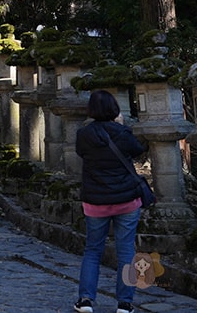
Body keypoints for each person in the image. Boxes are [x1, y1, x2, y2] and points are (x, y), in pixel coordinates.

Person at [74, 90, 147, 313]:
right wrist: (122, 126)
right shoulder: (122, 133)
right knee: (126, 251)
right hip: (126, 199)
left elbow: (81, 153)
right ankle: (125, 303)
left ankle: (86, 299)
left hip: (96, 200)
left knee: (93, 249)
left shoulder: (84, 134)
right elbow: (138, 150)